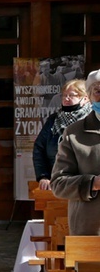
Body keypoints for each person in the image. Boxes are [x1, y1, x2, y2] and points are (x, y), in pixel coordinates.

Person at [51, 72, 100, 235]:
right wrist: (93, 183)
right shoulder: (74, 133)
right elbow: (58, 184)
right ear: (90, 97)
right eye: (98, 91)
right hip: (90, 231)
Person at [33, 79, 91, 190]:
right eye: (64, 96)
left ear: (85, 98)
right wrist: (43, 176)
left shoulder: (92, 120)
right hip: (56, 183)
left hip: (84, 184)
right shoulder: (53, 120)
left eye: (71, 95)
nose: (66, 99)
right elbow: (39, 148)